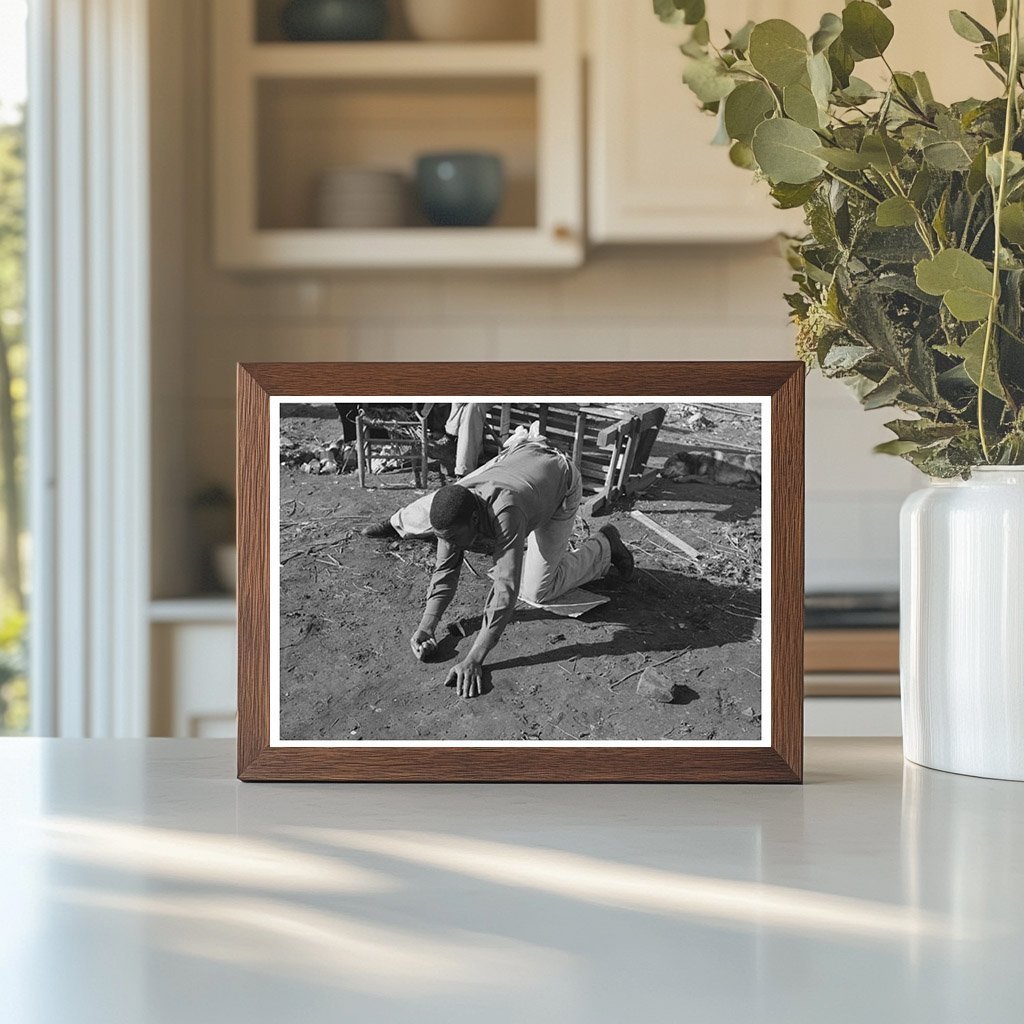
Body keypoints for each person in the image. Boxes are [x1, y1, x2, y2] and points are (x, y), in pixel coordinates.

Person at [363, 432, 634, 698]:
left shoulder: (507, 512)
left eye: (453, 538)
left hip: (559, 481)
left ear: (475, 520)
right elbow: (445, 570)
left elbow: (506, 589)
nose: (448, 544)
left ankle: (604, 546)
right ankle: (398, 523)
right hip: (519, 458)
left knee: (538, 590)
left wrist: (474, 658)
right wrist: (427, 625)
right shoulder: (459, 509)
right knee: (431, 514)